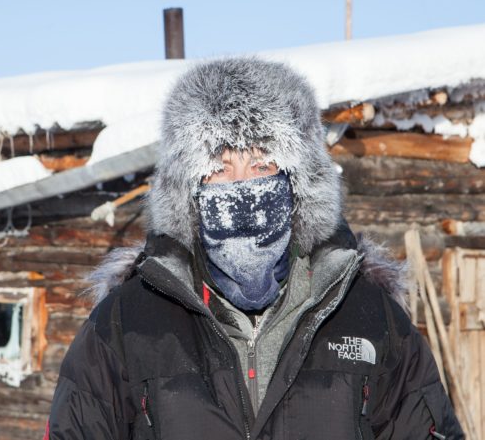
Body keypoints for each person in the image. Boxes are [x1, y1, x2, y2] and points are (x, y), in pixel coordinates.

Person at [45, 58, 464, 439]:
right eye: (219, 169)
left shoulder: (369, 315)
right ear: (188, 190)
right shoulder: (127, 322)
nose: (243, 188)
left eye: (262, 165)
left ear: (299, 185)